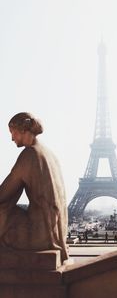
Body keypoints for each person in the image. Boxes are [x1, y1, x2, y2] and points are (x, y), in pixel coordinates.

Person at [0, 112, 68, 262]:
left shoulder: (29, 155)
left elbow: (4, 193)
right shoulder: (48, 153)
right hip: (57, 232)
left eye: (13, 133)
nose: (12, 138)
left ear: (23, 130)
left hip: (40, 235)